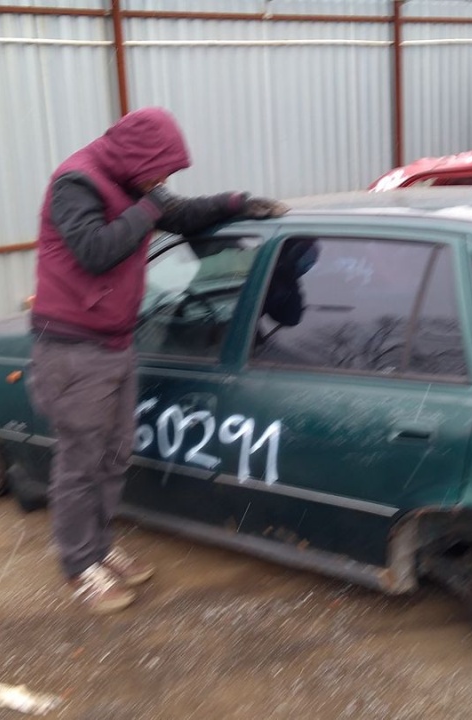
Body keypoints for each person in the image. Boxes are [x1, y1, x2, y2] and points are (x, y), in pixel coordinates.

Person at [26, 107, 287, 615]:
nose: (162, 183)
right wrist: (149, 206)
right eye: (159, 172)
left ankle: (100, 548)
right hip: (73, 348)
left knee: (113, 454)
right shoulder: (76, 182)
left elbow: (180, 214)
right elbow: (94, 250)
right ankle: (80, 565)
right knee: (81, 461)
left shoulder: (131, 183)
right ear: (136, 158)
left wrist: (237, 203)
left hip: (114, 342)